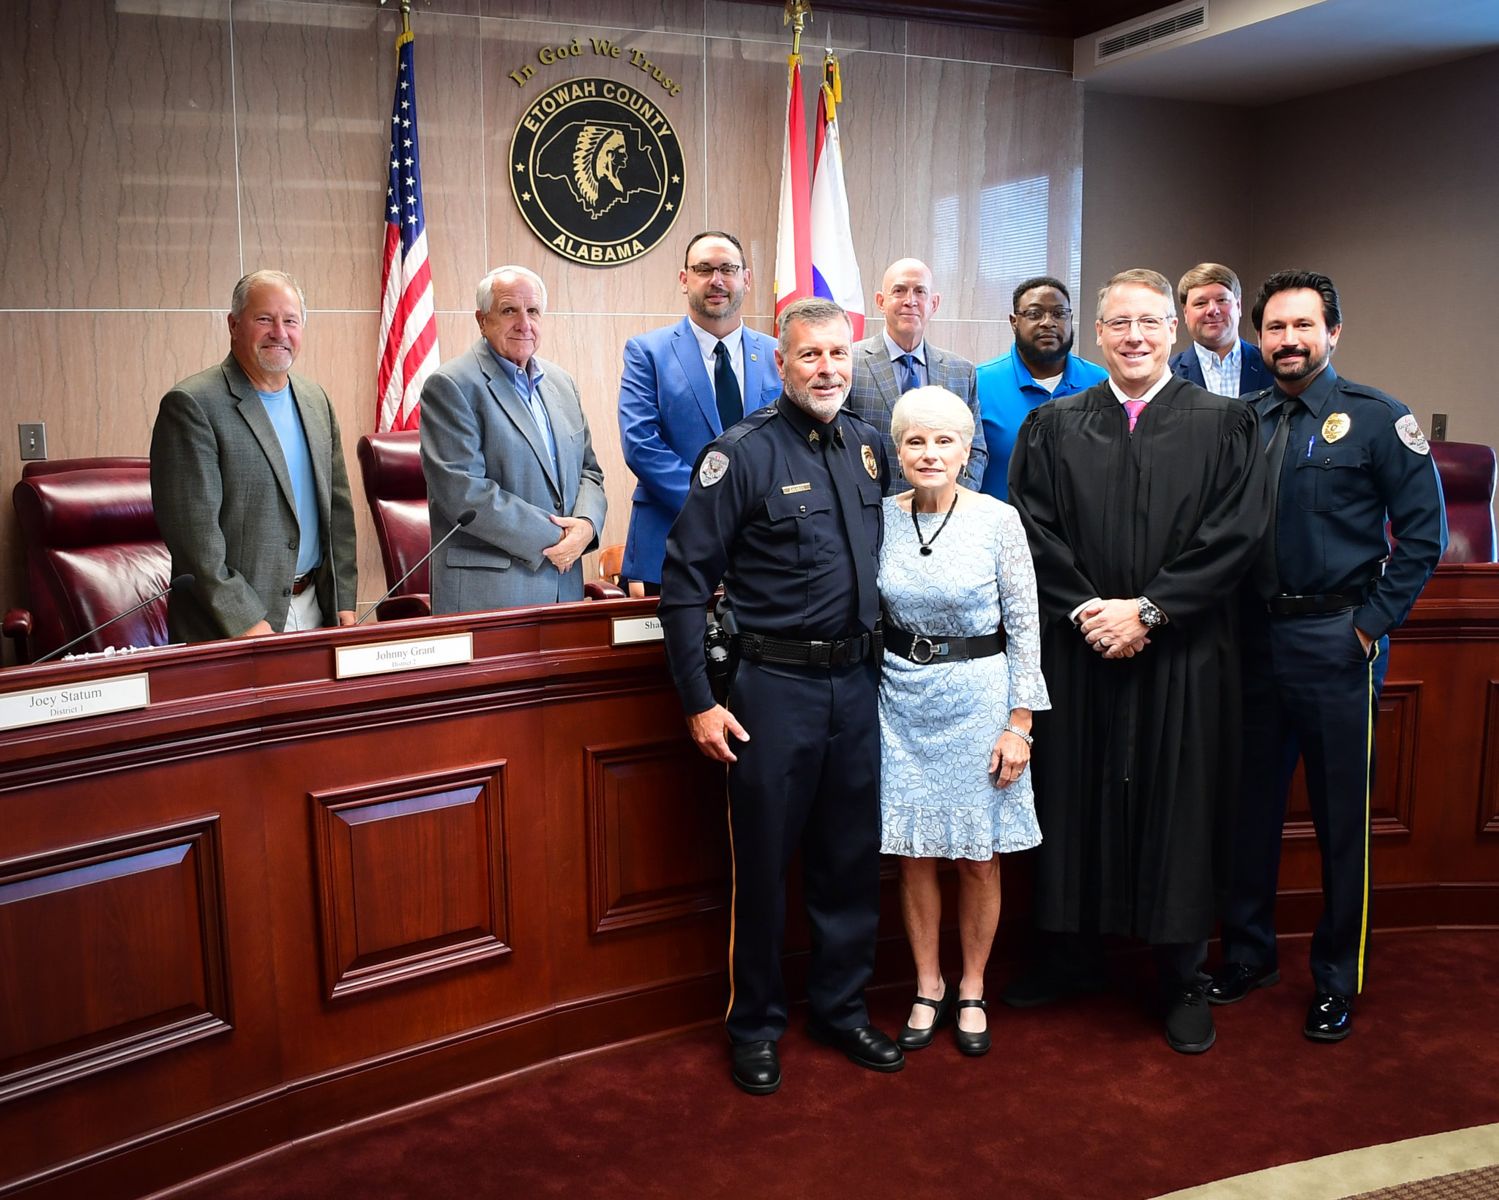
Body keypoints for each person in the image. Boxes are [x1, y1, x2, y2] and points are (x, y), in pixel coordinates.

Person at [1005, 268, 1268, 1054]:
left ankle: (1181, 975)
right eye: (1118, 323)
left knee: (1178, 802)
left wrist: (1148, 611)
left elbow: (1238, 533)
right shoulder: (1052, 425)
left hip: (1182, 652)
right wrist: (1090, 609)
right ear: (1097, 329)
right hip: (1081, 645)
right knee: (1075, 791)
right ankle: (1072, 953)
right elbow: (1031, 527)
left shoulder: (1225, 423)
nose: (1134, 337)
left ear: (1172, 328)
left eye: (1150, 322)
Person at [658, 297, 901, 1095]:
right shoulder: (742, 455)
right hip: (775, 690)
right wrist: (698, 700)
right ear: (779, 364)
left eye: (838, 355)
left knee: (848, 863)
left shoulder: (870, 447)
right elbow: (685, 584)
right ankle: (755, 1025)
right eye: (810, 357)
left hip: (858, 688)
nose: (827, 369)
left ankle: (840, 1006)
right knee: (761, 869)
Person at [1208, 270, 1446, 1042]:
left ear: (1332, 333)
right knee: (1247, 812)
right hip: (1251, 642)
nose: (1286, 341)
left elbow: (1423, 539)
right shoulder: (1240, 421)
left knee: (1342, 819)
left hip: (1335, 642)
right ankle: (1247, 953)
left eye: (1301, 326)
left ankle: (1336, 978)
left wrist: (1369, 627)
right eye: (1273, 329)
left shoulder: (1376, 419)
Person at [878, 386, 1049, 1058]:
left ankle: (971, 985)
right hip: (898, 700)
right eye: (915, 440)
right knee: (914, 856)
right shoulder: (880, 518)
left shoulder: (997, 520)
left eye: (943, 440)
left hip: (980, 700)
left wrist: (1020, 724)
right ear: (897, 450)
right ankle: (928, 984)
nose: (928, 453)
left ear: (965, 449)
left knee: (977, 858)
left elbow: (1027, 625)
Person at [151, 269, 357, 643]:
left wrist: (343, 600)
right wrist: (245, 620)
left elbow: (338, 513)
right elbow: (195, 540)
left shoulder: (316, 401)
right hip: (233, 625)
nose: (279, 332)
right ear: (233, 325)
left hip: (316, 608)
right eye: (264, 319)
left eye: (290, 321)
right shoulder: (193, 405)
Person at [419, 266, 606, 613]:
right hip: (489, 597)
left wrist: (586, 526)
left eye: (532, 311)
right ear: (482, 319)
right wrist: (561, 539)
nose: (524, 323)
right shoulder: (451, 386)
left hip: (564, 589)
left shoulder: (562, 384)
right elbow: (464, 492)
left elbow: (589, 472)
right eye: (509, 311)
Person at [617, 231, 780, 595]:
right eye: (703, 269)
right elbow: (641, 445)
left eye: (728, 269)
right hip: (672, 541)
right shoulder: (648, 352)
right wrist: (713, 504)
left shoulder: (777, 354)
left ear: (746, 279)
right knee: (671, 654)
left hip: (766, 548)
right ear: (684, 279)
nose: (716, 280)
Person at [847, 258, 987, 493]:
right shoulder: (850, 363)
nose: (910, 301)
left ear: (934, 303)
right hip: (872, 514)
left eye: (920, 292)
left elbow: (975, 450)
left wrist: (953, 502)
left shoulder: (961, 371)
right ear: (881, 302)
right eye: (899, 291)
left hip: (943, 515)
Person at [975, 276, 1107, 500]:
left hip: (1078, 531)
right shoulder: (979, 383)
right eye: (1035, 314)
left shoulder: (1099, 382)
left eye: (1059, 314)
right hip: (1002, 530)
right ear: (1014, 321)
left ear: (1070, 319)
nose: (1048, 322)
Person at [1169, 263, 1272, 397]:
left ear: (1239, 306)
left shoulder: (1271, 366)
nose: (1213, 310)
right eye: (1200, 303)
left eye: (1222, 300)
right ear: (1186, 313)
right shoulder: (1167, 376)